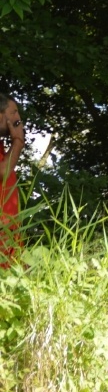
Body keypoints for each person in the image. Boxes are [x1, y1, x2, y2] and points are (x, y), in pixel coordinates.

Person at [0, 94, 24, 267]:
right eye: (14, 112)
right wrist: (18, 141)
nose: (18, 119)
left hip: (9, 253)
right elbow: (2, 172)